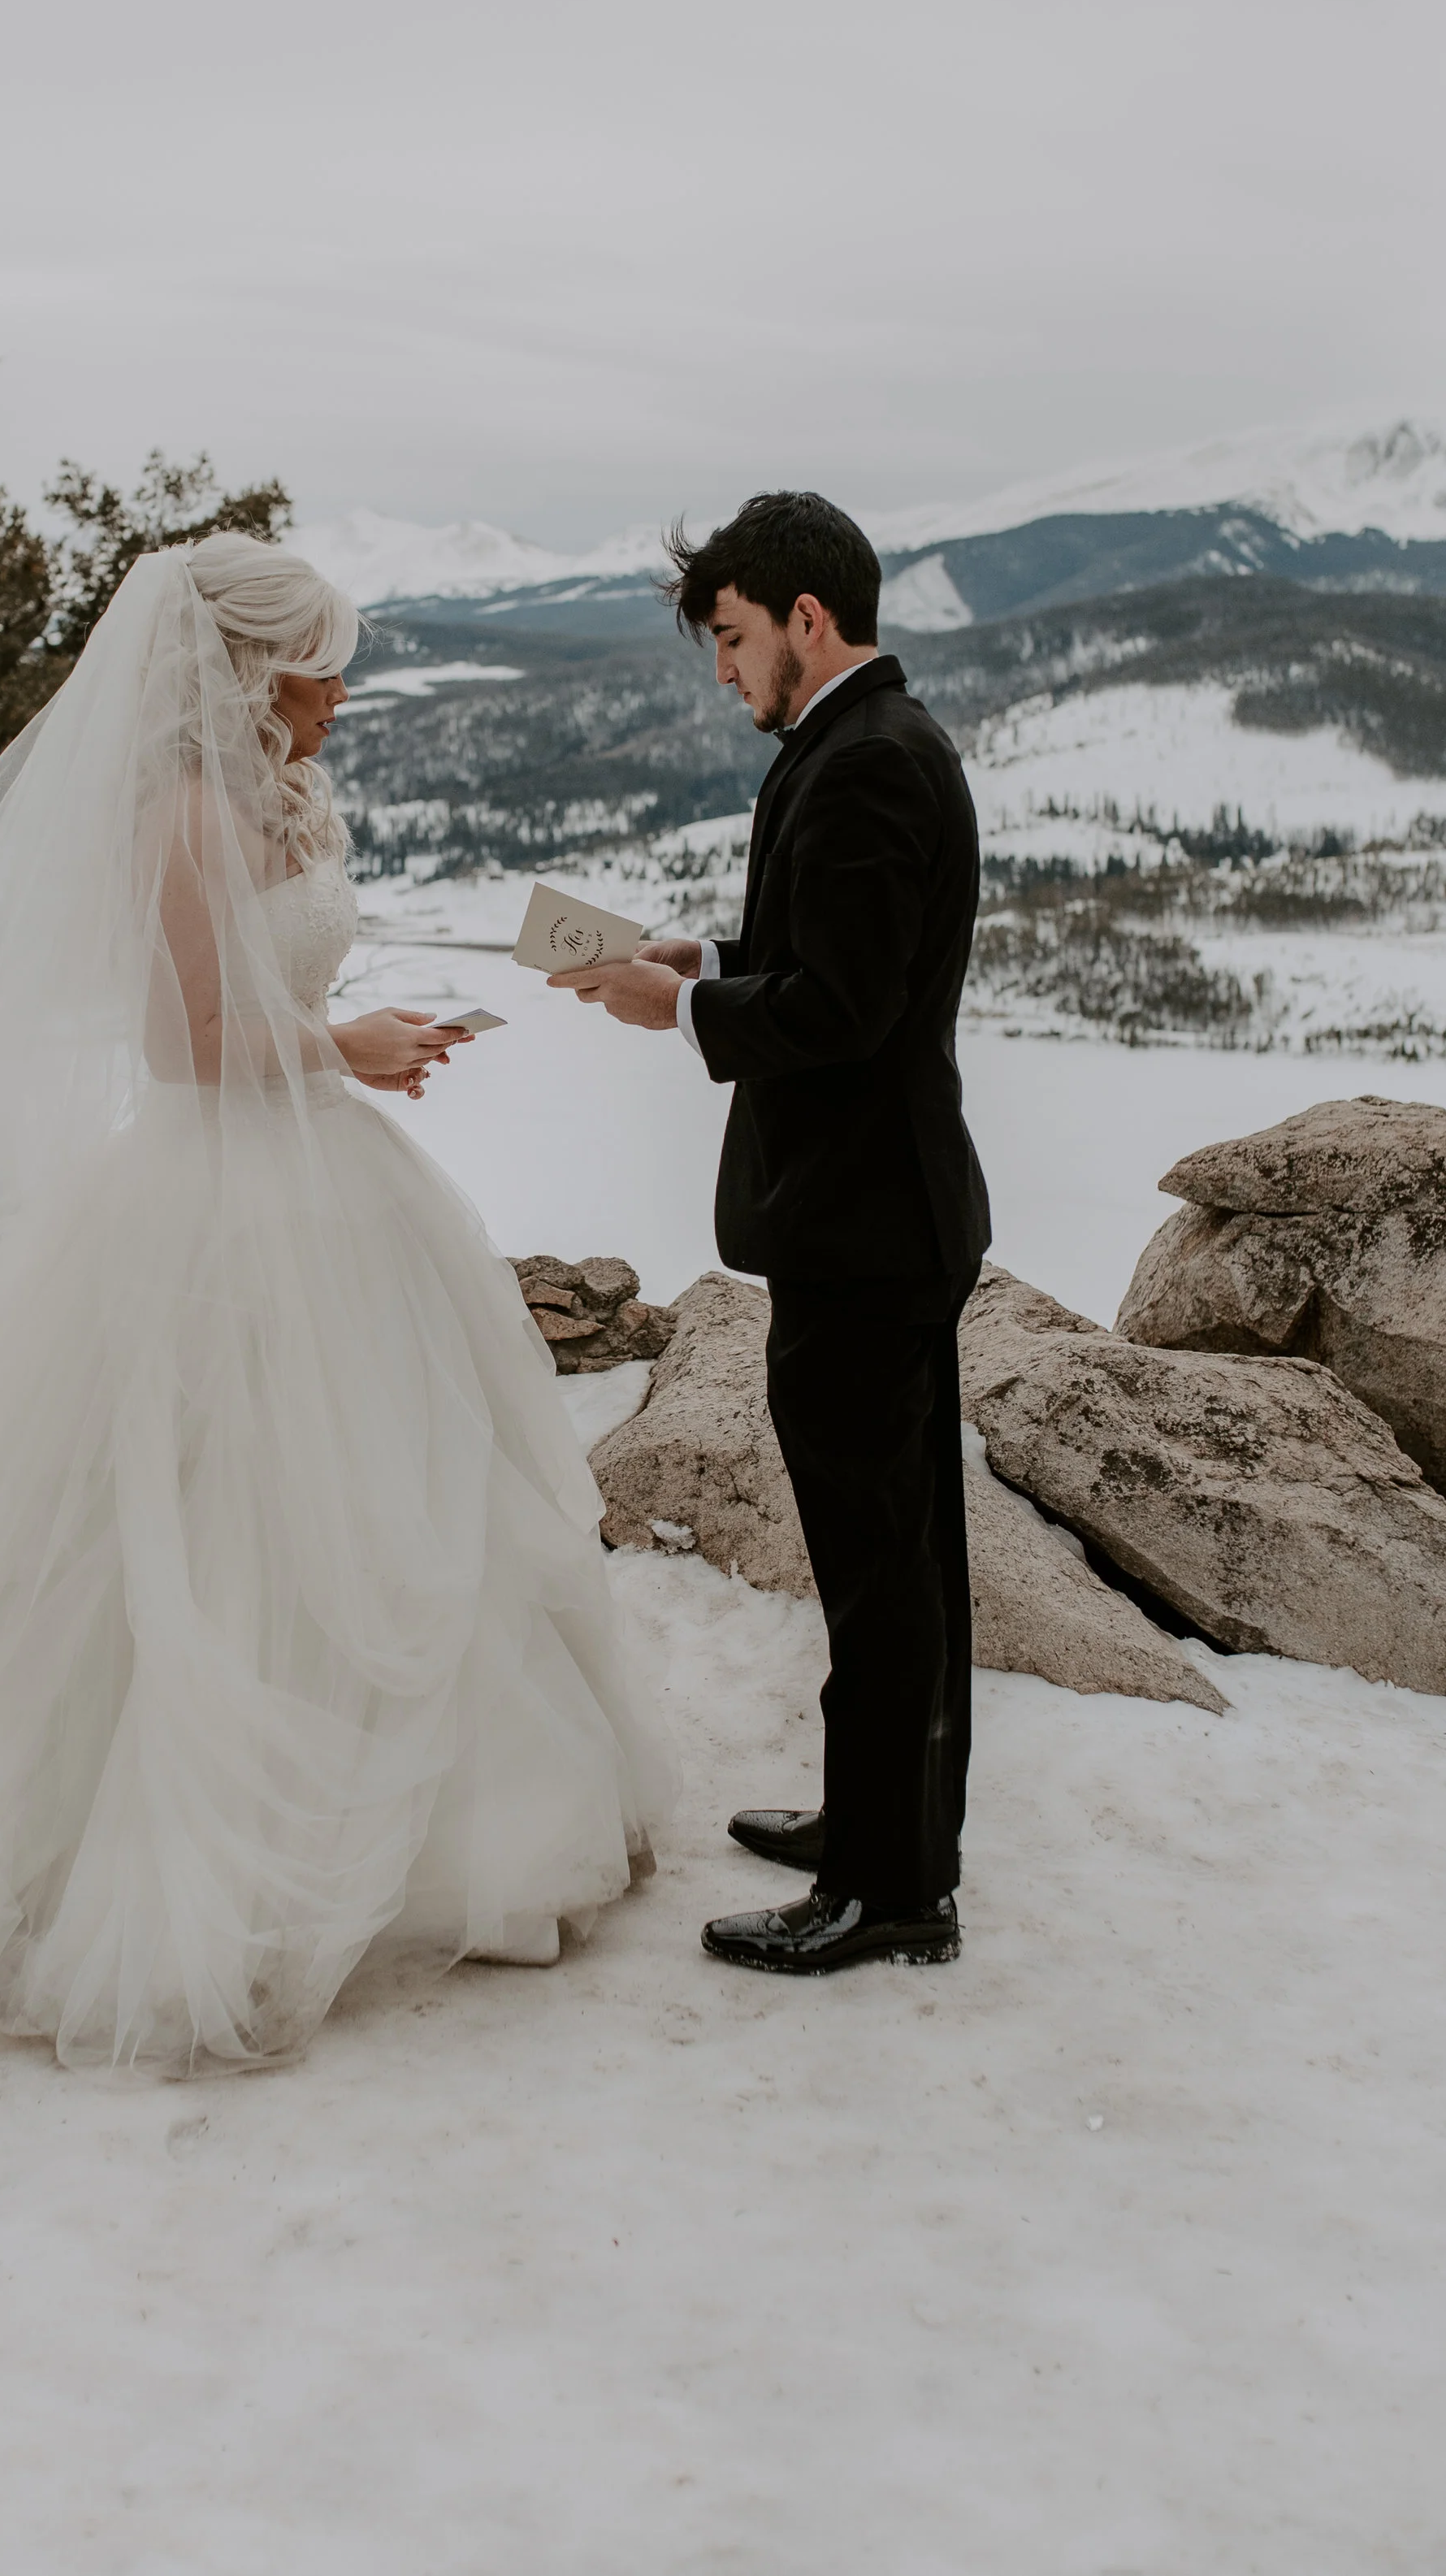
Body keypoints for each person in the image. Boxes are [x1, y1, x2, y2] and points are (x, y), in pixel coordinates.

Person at [0, 534, 670, 2075]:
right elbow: (188, 1047)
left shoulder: (270, 798)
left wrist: (354, 1040)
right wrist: (341, 1047)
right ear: (250, 672)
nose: (343, 691)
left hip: (327, 1180)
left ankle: (447, 1819)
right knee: (217, 1526)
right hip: (213, 1200)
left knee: (394, 1492)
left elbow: (275, 1002)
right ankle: (187, 1869)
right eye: (320, 665)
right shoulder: (173, 815)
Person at [549, 490, 989, 1975]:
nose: (724, 672)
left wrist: (675, 1007)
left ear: (809, 620)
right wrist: (708, 954)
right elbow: (825, 951)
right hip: (880, 1218)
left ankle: (886, 1886)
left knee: (880, 1566)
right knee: (896, 1550)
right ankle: (892, 1827)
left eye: (733, 640)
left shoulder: (866, 764)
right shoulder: (867, 744)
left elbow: (844, 1012)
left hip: (867, 1225)